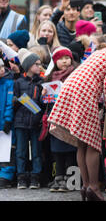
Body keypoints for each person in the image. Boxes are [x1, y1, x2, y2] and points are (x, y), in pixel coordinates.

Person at [48, 47, 106, 201]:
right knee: (92, 143)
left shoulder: (100, 53)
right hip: (85, 90)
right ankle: (94, 187)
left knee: (82, 143)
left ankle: (86, 185)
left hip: (71, 86)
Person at [44, 47, 78, 192]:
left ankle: (71, 180)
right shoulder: (51, 77)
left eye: (67, 58)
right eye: (61, 59)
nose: (64, 61)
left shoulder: (76, 74)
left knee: (70, 148)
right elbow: (44, 100)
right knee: (57, 150)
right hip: (54, 118)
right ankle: (58, 177)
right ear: (55, 61)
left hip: (69, 117)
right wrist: (44, 94)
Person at [14, 49, 44, 189]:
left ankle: (35, 177)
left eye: (40, 64)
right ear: (28, 66)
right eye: (36, 64)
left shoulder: (42, 83)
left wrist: (44, 96)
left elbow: (44, 104)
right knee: (21, 151)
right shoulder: (19, 82)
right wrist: (17, 100)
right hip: (20, 122)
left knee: (37, 151)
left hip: (36, 122)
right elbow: (13, 101)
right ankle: (21, 177)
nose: (39, 66)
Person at [0, 58, 15, 189]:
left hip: (4, 122)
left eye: (2, 67)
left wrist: (8, 119)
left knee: (7, 150)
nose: (2, 70)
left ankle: (6, 176)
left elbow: (10, 103)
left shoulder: (9, 83)